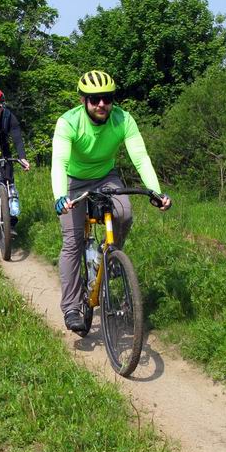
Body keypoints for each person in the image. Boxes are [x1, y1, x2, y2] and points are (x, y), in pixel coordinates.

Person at [52, 70, 171, 333]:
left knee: (124, 213)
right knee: (72, 242)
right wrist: (60, 197)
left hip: (107, 176)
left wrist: (156, 192)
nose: (101, 105)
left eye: (106, 98)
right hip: (73, 180)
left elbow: (141, 158)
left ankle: (110, 258)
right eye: (94, 99)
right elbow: (59, 162)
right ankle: (71, 307)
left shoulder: (123, 119)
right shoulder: (69, 122)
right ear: (84, 100)